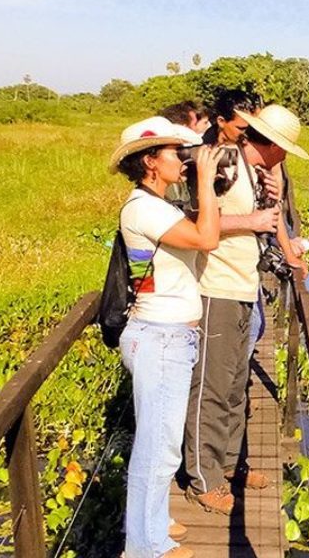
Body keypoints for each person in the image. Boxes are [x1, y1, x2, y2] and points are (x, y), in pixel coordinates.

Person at [183, 103, 309, 515]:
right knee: (211, 389)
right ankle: (203, 481)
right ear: (273, 145)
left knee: (237, 387)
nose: (286, 156)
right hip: (214, 291)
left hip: (243, 287)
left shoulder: (256, 173)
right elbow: (195, 219)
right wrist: (251, 220)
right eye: (285, 148)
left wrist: (289, 252)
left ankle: (233, 466)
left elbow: (271, 222)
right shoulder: (226, 164)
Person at [110, 116, 221, 558]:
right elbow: (207, 237)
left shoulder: (160, 205)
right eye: (177, 154)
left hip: (170, 338)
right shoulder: (143, 208)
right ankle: (144, 547)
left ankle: (153, 527)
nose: (185, 160)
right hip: (159, 339)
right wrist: (208, 181)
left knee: (162, 446)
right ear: (150, 162)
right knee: (157, 450)